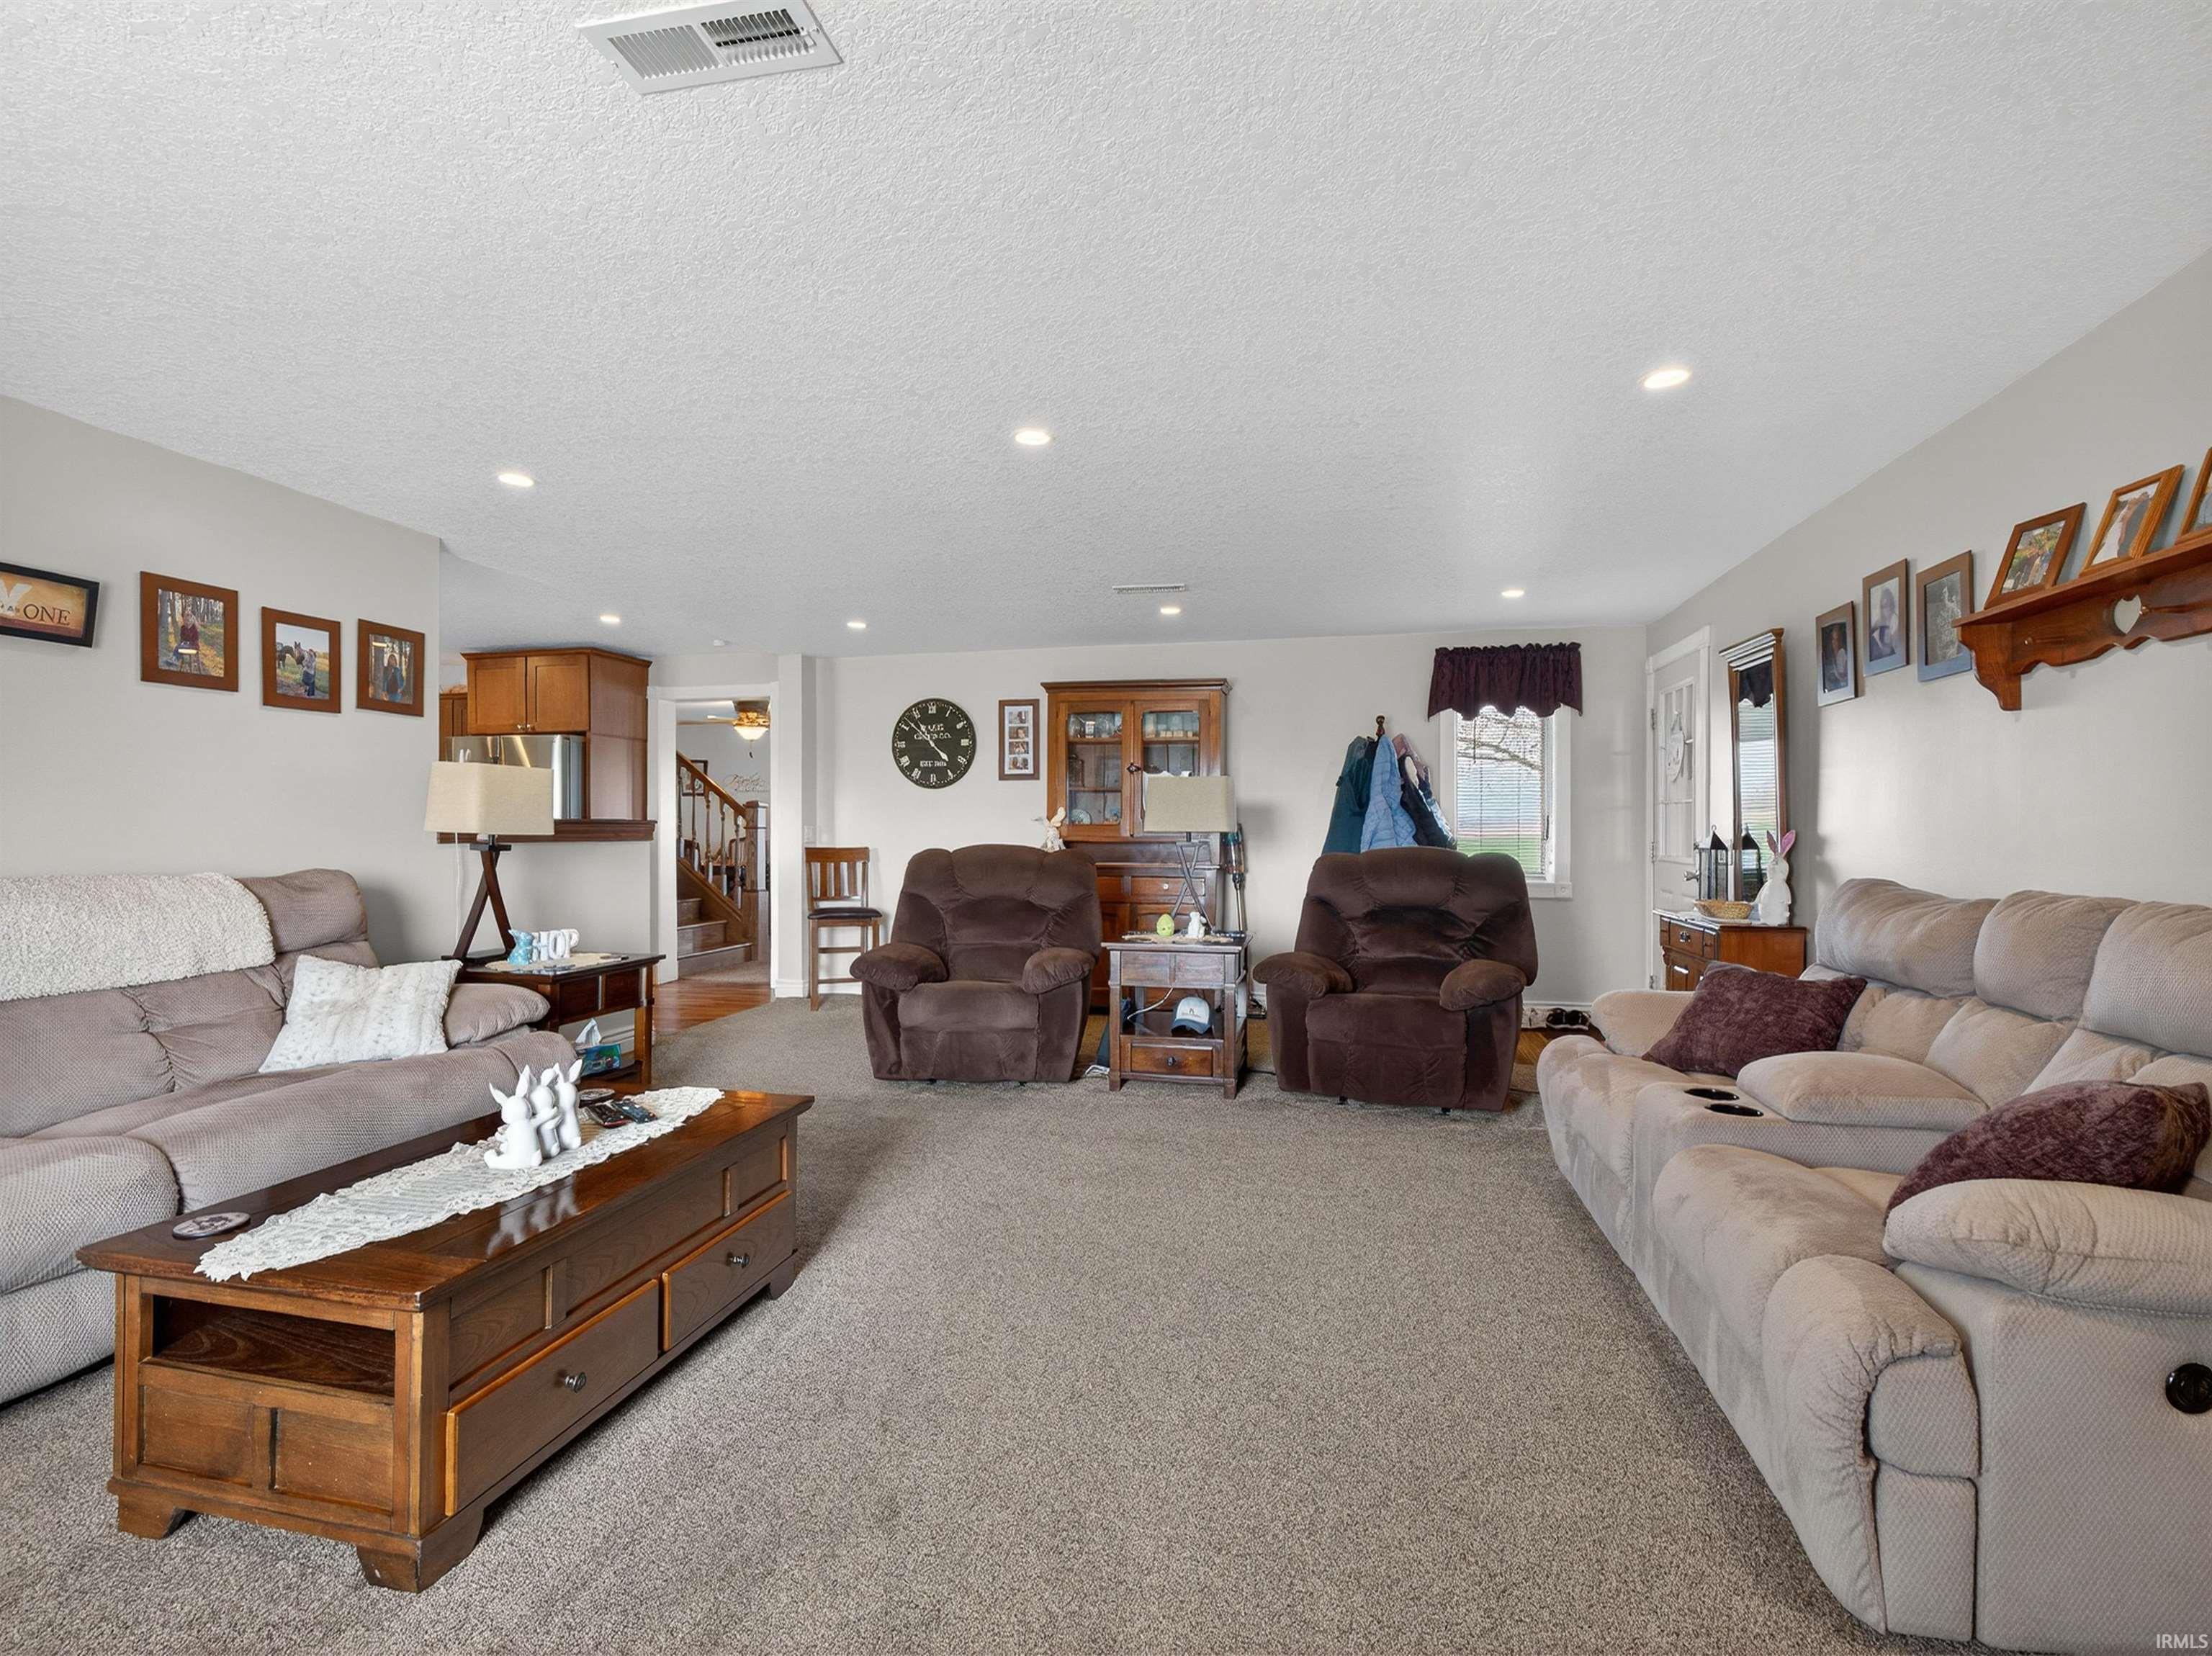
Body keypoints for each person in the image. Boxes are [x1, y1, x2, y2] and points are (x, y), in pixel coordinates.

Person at [1868, 585, 1899, 662]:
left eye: (1889, 604)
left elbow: (1893, 643)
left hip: (1893, 655)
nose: (1887, 608)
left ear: (1892, 605)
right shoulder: (1880, 621)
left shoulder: (1896, 620)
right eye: (1884, 606)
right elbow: (1869, 635)